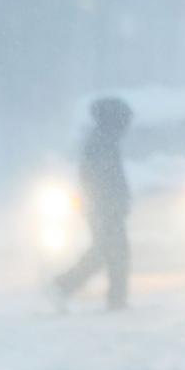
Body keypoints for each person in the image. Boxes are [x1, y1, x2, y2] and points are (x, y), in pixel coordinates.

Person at [53, 97, 133, 309]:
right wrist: (111, 203)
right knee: (108, 252)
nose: (126, 126)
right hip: (104, 209)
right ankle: (63, 285)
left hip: (104, 208)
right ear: (114, 119)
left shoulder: (103, 140)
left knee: (111, 252)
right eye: (124, 120)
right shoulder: (101, 142)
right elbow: (102, 179)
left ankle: (115, 298)